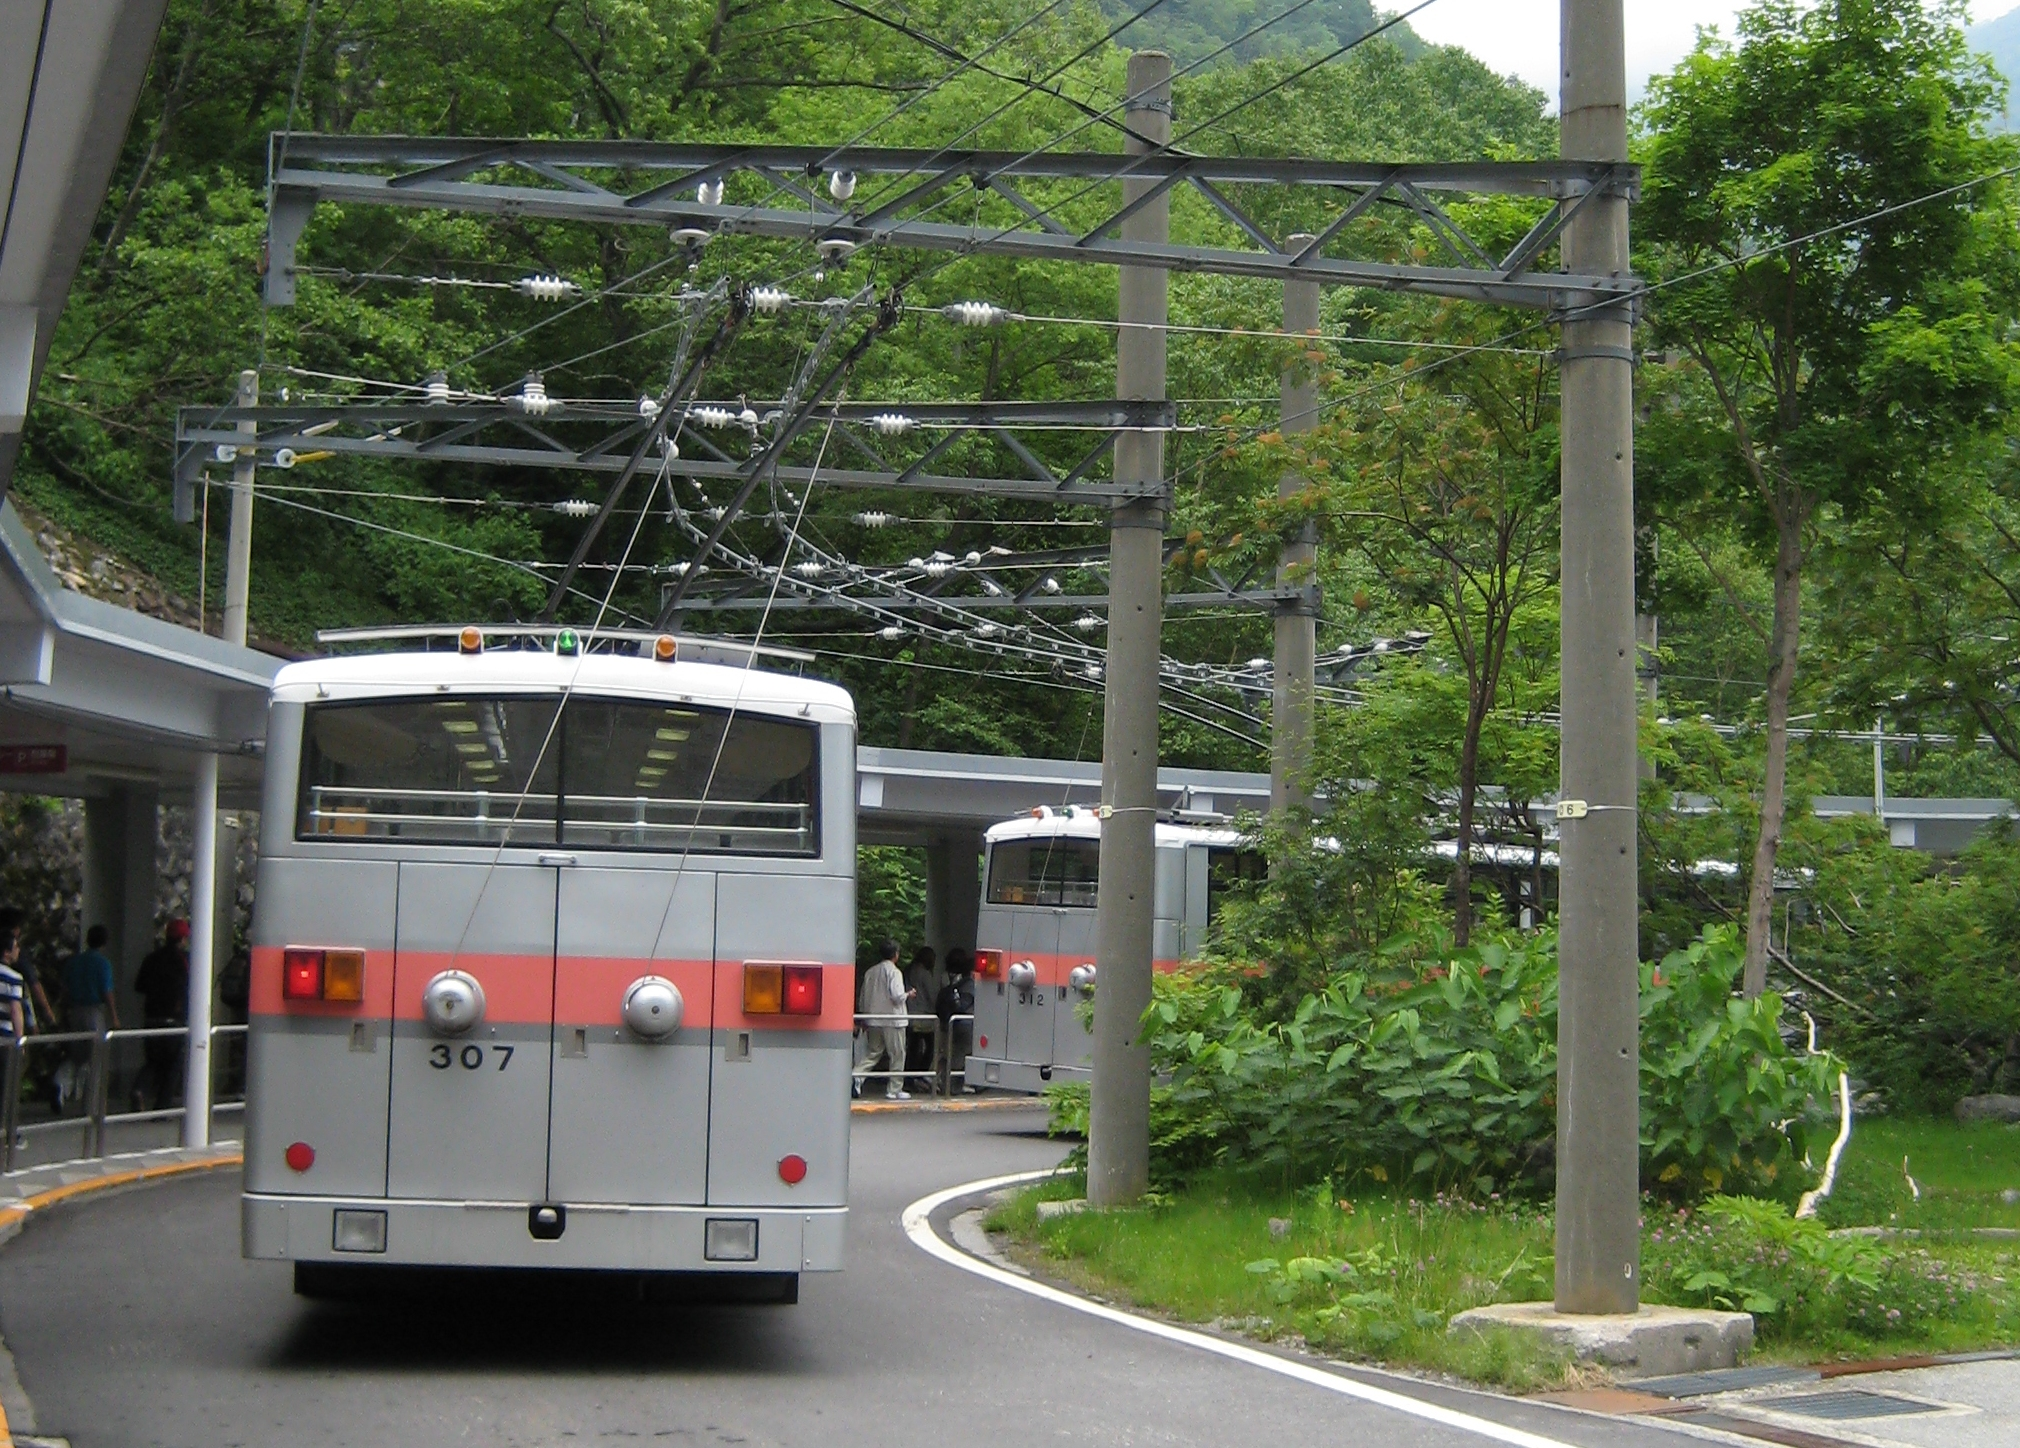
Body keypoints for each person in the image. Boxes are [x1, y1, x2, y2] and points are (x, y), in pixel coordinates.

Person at [58, 926, 119, 1113]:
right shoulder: (102, 963)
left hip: (75, 1010)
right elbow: (106, 991)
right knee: (96, 1057)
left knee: (76, 1055)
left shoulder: (74, 962)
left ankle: (59, 1083)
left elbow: (64, 989)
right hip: (94, 1011)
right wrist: (114, 1016)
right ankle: (92, 1105)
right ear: (104, 942)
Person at [133, 919, 191, 1111]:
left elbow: (139, 986)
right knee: (172, 1065)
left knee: (153, 1061)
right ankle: (162, 1108)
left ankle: (139, 1089)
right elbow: (189, 987)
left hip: (151, 1016)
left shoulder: (151, 958)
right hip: (174, 1019)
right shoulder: (185, 960)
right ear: (183, 938)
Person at [853, 938, 912, 1101]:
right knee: (897, 1054)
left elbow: (863, 996)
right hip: (893, 1021)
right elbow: (897, 996)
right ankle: (894, 1089)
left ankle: (856, 1075)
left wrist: (864, 1016)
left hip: (873, 1019)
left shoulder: (871, 972)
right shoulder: (894, 972)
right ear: (896, 954)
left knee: (873, 1052)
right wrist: (908, 994)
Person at [935, 948, 976, 1097]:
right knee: (959, 1056)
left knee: (949, 1054)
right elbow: (964, 1004)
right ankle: (952, 1086)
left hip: (949, 1023)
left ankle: (945, 1083)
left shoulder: (950, 982)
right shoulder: (969, 985)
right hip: (964, 1024)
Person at [903, 945, 937, 1093]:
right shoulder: (925, 974)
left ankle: (908, 1077)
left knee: (912, 1048)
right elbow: (932, 995)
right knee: (930, 1047)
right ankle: (920, 1073)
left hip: (910, 1014)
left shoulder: (909, 970)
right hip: (924, 1016)